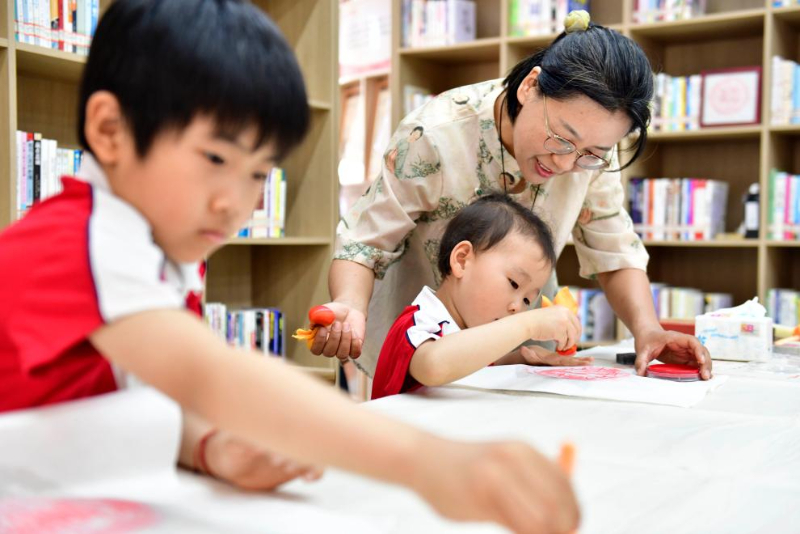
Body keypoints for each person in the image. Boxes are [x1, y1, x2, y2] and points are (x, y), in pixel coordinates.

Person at [0, 1, 579, 532]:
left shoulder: (159, 253)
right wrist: (428, 463)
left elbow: (134, 395)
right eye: (216, 158)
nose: (235, 202)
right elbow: (209, 378)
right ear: (110, 131)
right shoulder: (79, 244)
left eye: (258, 173)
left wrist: (207, 448)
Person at [313, 10, 712, 382]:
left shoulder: (591, 160)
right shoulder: (436, 135)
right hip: (426, 345)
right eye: (561, 138)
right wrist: (349, 304)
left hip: (518, 351)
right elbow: (366, 243)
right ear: (530, 86)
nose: (565, 162)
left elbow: (614, 249)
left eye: (592, 152)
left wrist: (648, 330)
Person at [371, 193, 590, 400]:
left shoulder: (467, 332)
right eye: (514, 283)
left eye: (527, 300)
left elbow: (471, 365)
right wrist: (528, 325)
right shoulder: (417, 324)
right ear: (462, 260)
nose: (518, 308)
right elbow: (434, 366)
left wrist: (521, 358)